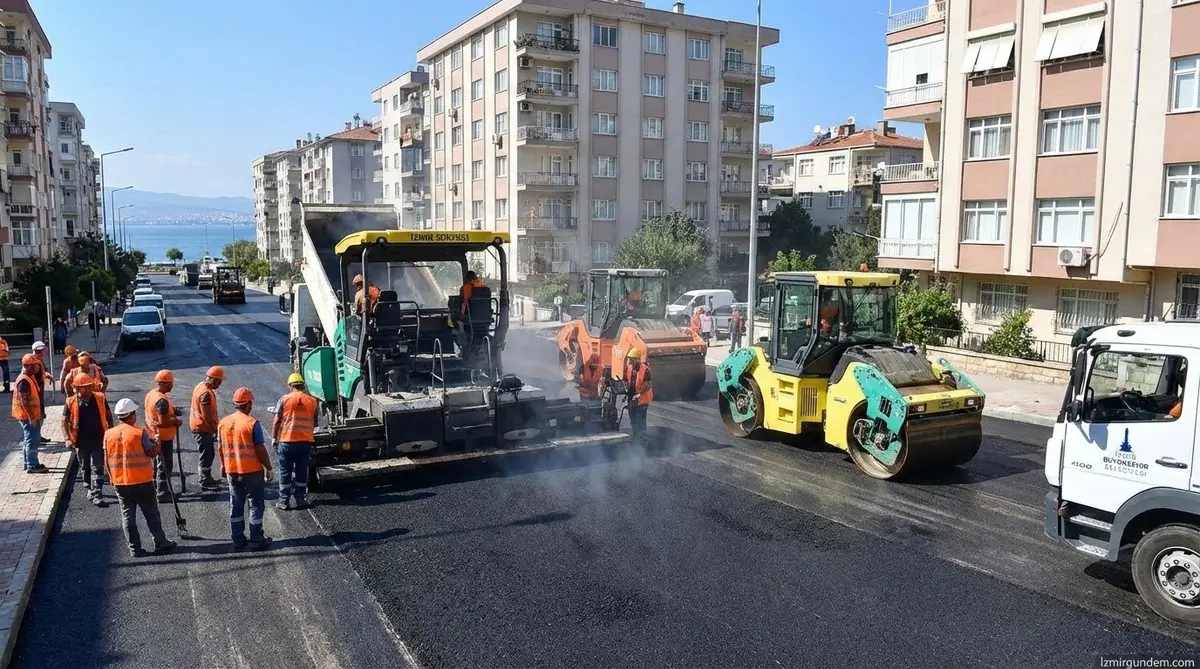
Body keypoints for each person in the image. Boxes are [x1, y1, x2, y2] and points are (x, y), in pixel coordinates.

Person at [105, 398, 176, 557]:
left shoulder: (108, 434)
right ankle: (160, 543)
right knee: (152, 514)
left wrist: (112, 478)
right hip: (141, 481)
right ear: (130, 416)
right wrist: (157, 444)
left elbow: (106, 459)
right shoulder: (139, 432)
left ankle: (134, 548)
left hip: (120, 482)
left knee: (128, 516)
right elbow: (151, 453)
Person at [218, 387, 274, 549]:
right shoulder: (252, 423)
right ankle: (256, 538)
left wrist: (223, 465)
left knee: (236, 504)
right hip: (252, 472)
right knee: (255, 504)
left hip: (232, 471)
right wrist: (268, 467)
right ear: (248, 404)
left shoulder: (223, 422)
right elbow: (260, 449)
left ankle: (237, 538)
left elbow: (220, 448)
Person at [63, 372, 111, 507]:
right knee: (85, 467)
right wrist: (67, 438)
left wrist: (111, 431)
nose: (89, 389)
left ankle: (97, 493)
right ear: (77, 388)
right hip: (81, 440)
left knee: (98, 466)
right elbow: (64, 421)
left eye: (90, 386)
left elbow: (108, 415)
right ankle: (88, 487)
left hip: (98, 438)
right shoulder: (71, 401)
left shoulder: (100, 398)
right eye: (85, 387)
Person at [272, 373, 318, 511]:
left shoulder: (284, 399)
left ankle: (283, 501)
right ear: (303, 385)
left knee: (285, 471)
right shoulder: (312, 401)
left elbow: (276, 421)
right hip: (305, 442)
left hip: (287, 441)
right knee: (301, 471)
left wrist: (274, 438)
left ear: (290, 385)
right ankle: (300, 499)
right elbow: (314, 421)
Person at [145, 369, 184, 503]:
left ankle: (155, 487)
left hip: (154, 434)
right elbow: (163, 421)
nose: (172, 385)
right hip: (163, 437)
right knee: (165, 465)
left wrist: (173, 412)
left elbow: (161, 413)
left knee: (157, 464)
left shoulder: (152, 394)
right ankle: (162, 492)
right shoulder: (161, 400)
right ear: (163, 383)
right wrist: (176, 421)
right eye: (170, 383)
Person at [191, 366, 225, 491]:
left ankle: (207, 478)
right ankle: (204, 480)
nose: (219, 385)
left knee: (207, 453)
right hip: (202, 428)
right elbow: (206, 416)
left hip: (199, 426)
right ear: (212, 379)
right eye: (219, 382)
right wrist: (213, 430)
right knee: (206, 454)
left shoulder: (201, 386)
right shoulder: (205, 394)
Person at [13, 354, 47, 474]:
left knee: (29, 439)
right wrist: (31, 417)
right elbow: (24, 401)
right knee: (32, 440)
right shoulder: (24, 381)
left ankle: (28, 463)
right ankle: (32, 465)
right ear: (27, 366)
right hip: (28, 416)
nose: (37, 367)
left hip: (30, 415)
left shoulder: (29, 377)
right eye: (35, 365)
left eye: (38, 365)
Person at [624, 348, 653, 445]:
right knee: (632, 417)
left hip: (643, 398)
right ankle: (635, 435)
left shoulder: (645, 370)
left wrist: (639, 394)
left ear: (637, 359)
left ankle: (642, 438)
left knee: (640, 417)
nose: (630, 361)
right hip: (632, 396)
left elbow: (647, 385)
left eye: (632, 359)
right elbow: (626, 379)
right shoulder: (629, 367)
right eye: (630, 359)